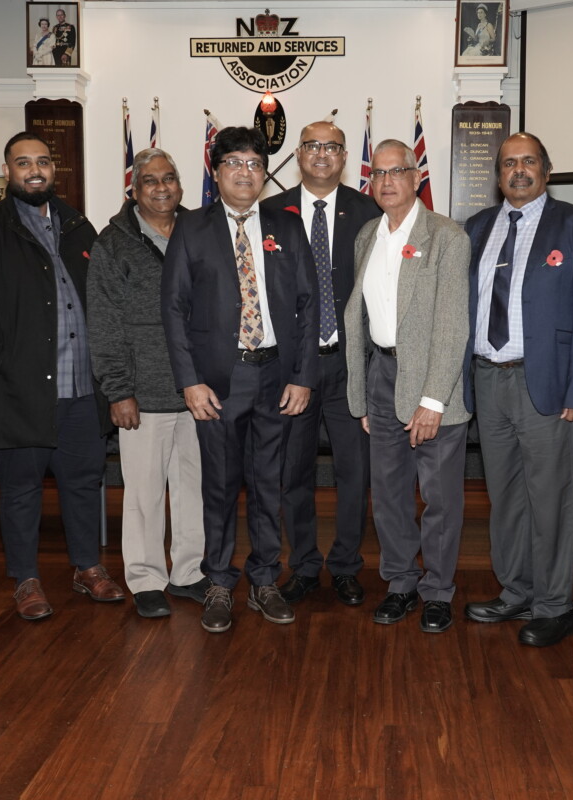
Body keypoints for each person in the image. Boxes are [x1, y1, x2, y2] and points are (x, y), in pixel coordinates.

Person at [0, 131, 126, 621]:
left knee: (84, 484)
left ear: (53, 169)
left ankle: (87, 568)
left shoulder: (79, 226)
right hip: (18, 391)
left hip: (82, 391)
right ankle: (26, 579)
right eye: (23, 162)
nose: (34, 170)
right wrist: (6, 361)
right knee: (20, 490)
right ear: (7, 171)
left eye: (42, 161)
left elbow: (104, 301)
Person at [161, 126, 318, 634]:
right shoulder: (192, 228)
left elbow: (308, 305)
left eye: (254, 163)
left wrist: (303, 376)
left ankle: (265, 579)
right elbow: (173, 309)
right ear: (216, 171)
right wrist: (189, 381)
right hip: (218, 382)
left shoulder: (287, 225)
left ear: (265, 173)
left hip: (277, 377)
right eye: (234, 163)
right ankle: (219, 583)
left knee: (270, 483)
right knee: (220, 486)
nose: (245, 173)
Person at [460, 132, 573, 648]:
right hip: (487, 378)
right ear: (498, 174)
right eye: (508, 163)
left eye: (528, 162)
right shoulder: (477, 227)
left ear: (546, 170)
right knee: (504, 496)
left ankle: (555, 605)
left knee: (550, 499)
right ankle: (517, 590)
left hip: (544, 382)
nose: (518, 170)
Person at [343, 139, 471, 634]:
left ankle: (438, 591)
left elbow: (452, 327)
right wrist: (362, 394)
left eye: (397, 171)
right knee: (389, 493)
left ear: (416, 178)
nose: (387, 181)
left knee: (439, 497)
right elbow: (360, 320)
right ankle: (400, 583)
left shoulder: (446, 236)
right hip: (382, 375)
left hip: (434, 382)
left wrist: (433, 400)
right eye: (378, 173)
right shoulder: (367, 236)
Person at [260, 121, 381, 608]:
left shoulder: (369, 210)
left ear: (345, 156)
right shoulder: (269, 212)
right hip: (293, 370)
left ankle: (347, 565)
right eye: (312, 145)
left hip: (351, 365)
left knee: (355, 473)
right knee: (294, 473)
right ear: (298, 153)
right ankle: (305, 565)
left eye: (332, 146)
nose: (322, 154)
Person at [88, 148, 209, 619]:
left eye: (169, 178)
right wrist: (118, 391)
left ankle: (188, 572)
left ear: (181, 185)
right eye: (151, 181)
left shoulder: (200, 231)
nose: (162, 187)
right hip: (142, 393)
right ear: (134, 190)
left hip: (198, 389)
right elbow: (104, 324)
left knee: (194, 488)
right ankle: (145, 578)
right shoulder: (113, 244)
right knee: (143, 494)